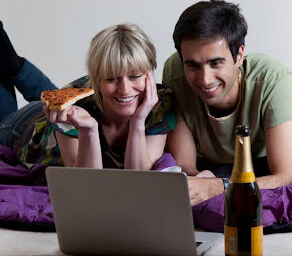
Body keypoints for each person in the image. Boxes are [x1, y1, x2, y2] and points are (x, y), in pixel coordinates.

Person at [162, 0, 292, 206]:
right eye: (193, 66)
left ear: (239, 55)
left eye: (216, 63)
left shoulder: (273, 77)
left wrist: (218, 186)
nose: (205, 79)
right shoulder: (174, 73)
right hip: (230, 149)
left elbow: (286, 176)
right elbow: (186, 167)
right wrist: (199, 181)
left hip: (289, 128)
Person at [0, 21, 175, 169]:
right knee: (57, 102)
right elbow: (86, 180)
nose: (125, 89)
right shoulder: (76, 106)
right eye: (111, 78)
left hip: (73, 104)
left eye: (135, 76)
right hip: (22, 127)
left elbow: (138, 176)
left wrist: (138, 121)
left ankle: (11, 62)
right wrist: (88, 130)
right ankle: (11, 63)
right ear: (96, 79)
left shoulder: (161, 103)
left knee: (57, 97)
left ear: (150, 72)